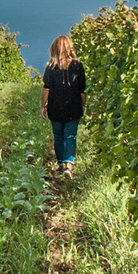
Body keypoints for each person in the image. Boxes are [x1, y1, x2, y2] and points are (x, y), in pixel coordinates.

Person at [40, 35, 86, 179]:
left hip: (55, 107)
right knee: (70, 136)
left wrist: (43, 106)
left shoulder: (50, 66)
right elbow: (82, 89)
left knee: (58, 135)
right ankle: (68, 166)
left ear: (54, 48)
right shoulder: (78, 65)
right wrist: (83, 104)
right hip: (73, 107)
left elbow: (46, 88)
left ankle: (60, 164)